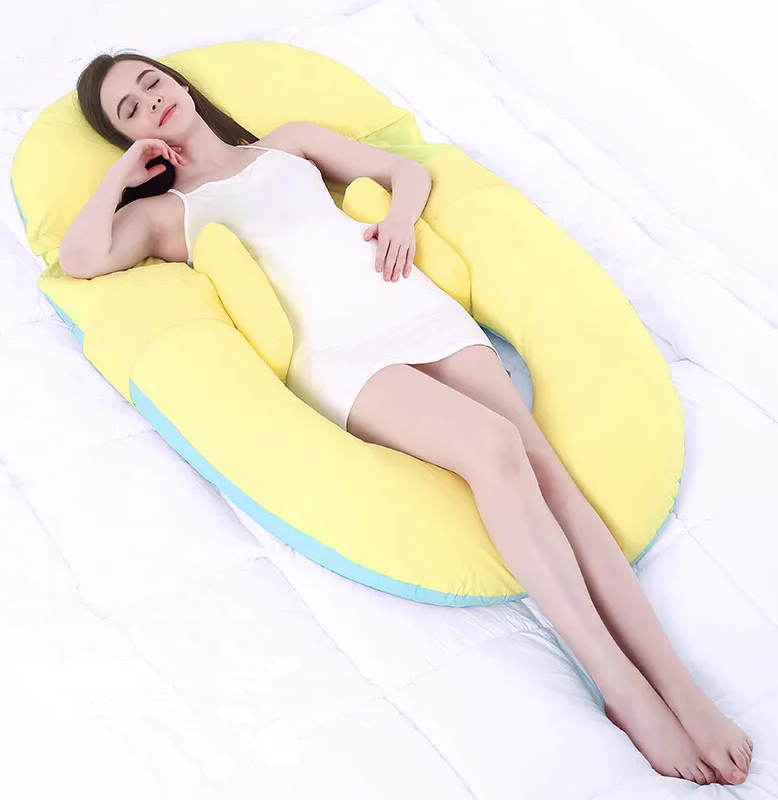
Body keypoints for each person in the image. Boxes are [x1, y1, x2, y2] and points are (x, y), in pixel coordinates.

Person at [61, 50, 753, 786]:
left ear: (179, 82)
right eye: (129, 110)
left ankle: (680, 688)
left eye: (151, 83)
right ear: (125, 137)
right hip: (341, 353)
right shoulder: (168, 212)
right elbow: (79, 259)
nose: (151, 102)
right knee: (493, 446)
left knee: (547, 471)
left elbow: (405, 172)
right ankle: (621, 688)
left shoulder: (287, 142)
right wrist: (120, 177)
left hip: (408, 301)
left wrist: (398, 221)